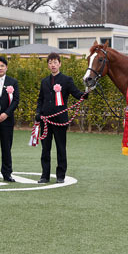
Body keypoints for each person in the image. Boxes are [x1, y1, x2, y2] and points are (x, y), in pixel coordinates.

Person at [35, 53, 85, 184]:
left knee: (61, 148)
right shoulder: (44, 81)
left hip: (60, 120)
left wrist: (86, 93)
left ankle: (60, 175)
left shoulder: (66, 80)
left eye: (55, 62)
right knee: (45, 149)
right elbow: (41, 99)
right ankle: (44, 176)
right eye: (50, 63)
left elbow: (76, 94)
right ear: (48, 65)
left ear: (60, 64)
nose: (53, 65)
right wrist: (38, 113)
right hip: (45, 120)